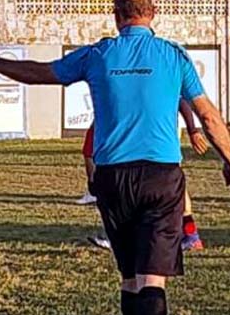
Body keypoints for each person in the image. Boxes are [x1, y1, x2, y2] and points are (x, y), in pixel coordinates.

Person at [0, 0, 230, 315]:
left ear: (116, 14)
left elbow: (43, 74)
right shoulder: (172, 55)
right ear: (154, 11)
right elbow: (208, 114)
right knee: (153, 279)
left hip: (112, 177)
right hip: (161, 176)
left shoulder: (99, 55)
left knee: (131, 278)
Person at [84, 99, 208, 251]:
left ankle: (188, 235)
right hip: (146, 132)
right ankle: (188, 235)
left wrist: (192, 129)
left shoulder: (163, 78)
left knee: (165, 184)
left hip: (159, 135)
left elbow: (181, 100)